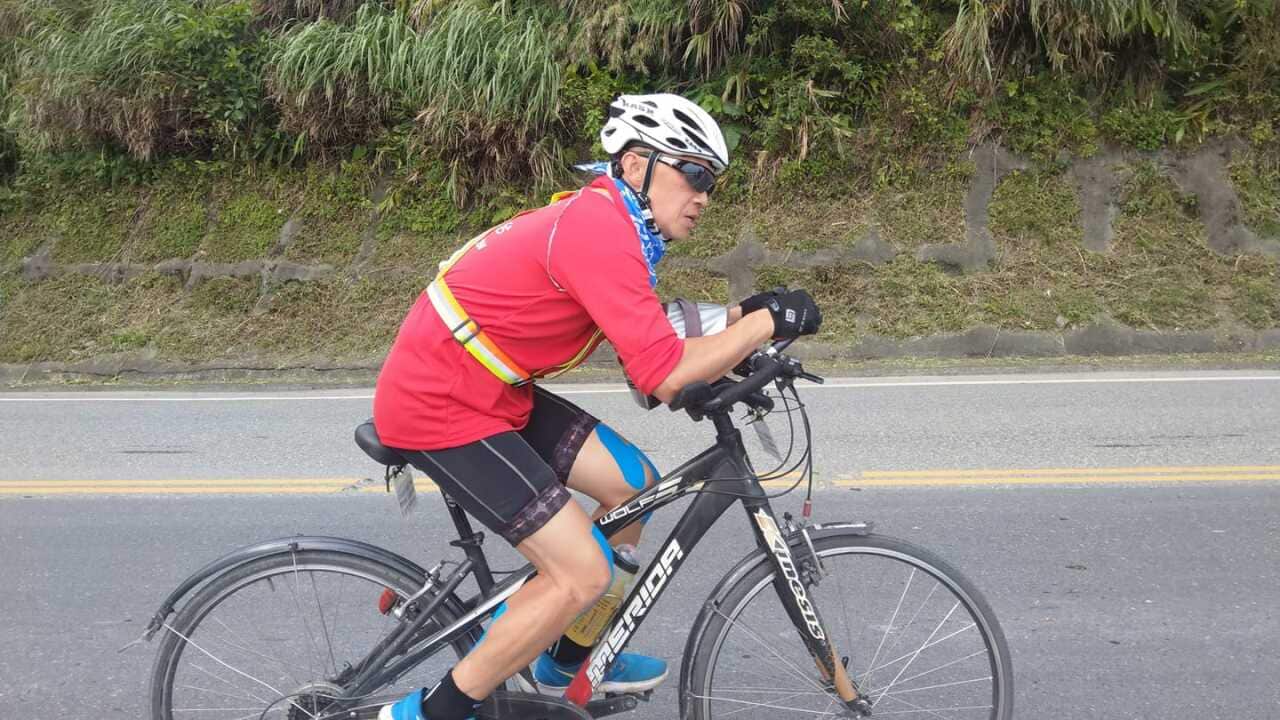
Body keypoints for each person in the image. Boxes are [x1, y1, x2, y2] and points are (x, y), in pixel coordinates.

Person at [373, 93, 822, 720]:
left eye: (712, 183)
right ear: (637, 164)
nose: (704, 195)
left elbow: (651, 333)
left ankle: (559, 660)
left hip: (492, 390)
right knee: (581, 571)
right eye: (693, 173)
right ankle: (429, 713)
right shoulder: (599, 230)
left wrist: (745, 322)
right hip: (441, 400)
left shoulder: (612, 223)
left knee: (632, 487)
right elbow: (662, 376)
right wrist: (762, 325)